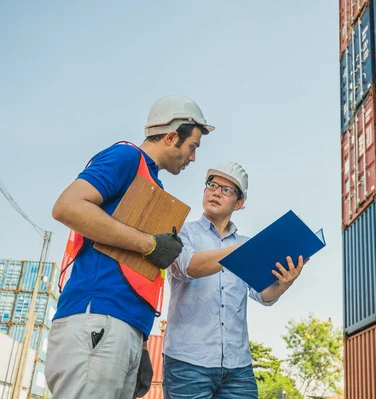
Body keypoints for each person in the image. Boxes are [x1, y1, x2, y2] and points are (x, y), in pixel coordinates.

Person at [45, 95, 215, 399]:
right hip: (97, 317)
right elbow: (67, 207)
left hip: (122, 327)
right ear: (171, 136)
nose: (192, 158)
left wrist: (139, 341)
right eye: (193, 147)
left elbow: (133, 270)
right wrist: (150, 244)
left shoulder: (153, 186)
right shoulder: (126, 158)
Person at [162, 162, 306, 399]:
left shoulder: (245, 244)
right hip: (187, 364)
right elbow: (190, 266)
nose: (216, 192)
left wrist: (285, 282)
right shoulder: (183, 232)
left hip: (238, 368)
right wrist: (245, 251)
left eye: (226, 190)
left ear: (239, 203)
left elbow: (263, 295)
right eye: (212, 185)